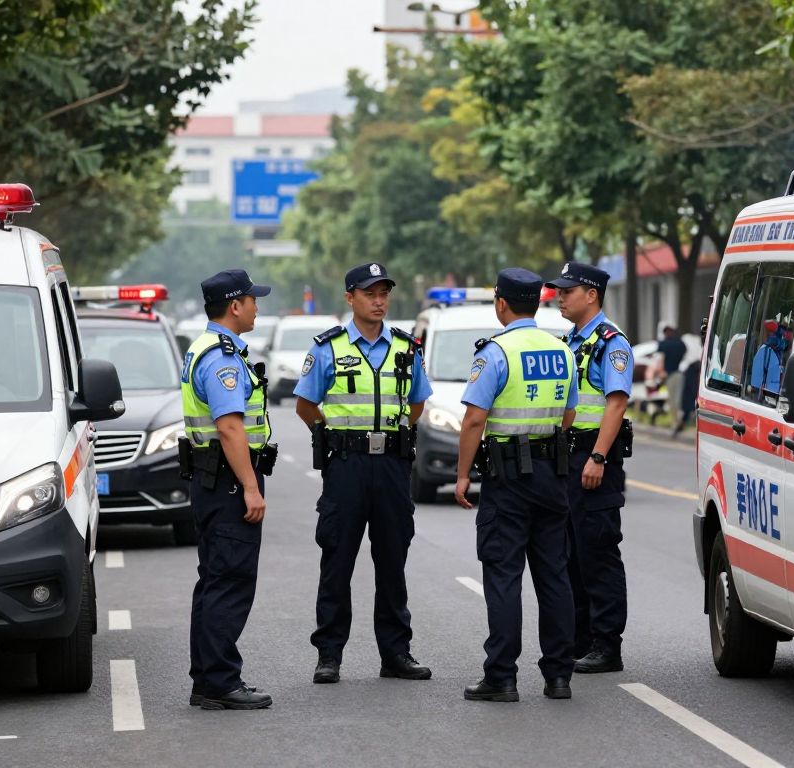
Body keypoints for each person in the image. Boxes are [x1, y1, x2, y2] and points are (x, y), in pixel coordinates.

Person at [294, 262, 433, 685]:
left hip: (392, 465)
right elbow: (305, 404)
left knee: (393, 559)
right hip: (347, 467)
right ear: (350, 297)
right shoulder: (327, 348)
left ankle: (396, 654)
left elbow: (417, 403)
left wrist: (395, 437)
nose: (379, 301)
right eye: (370, 293)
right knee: (337, 559)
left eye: (384, 293)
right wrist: (334, 438)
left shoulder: (407, 348)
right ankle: (329, 654)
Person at [455, 267, 578, 703]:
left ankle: (502, 677)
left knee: (504, 575)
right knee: (554, 575)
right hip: (552, 475)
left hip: (507, 478)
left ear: (501, 303)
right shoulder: (561, 349)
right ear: (539, 302)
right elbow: (568, 413)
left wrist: (463, 475)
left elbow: (474, 418)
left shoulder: (496, 352)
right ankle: (559, 675)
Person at [181, 269, 275, 711]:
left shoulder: (205, 348)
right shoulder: (221, 357)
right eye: (253, 299)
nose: (257, 305)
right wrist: (251, 487)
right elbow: (231, 428)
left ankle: (207, 679)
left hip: (211, 481)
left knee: (214, 580)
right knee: (231, 582)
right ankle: (221, 681)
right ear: (235, 306)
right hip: (228, 484)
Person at [545, 262, 634, 674]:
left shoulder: (611, 343)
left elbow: (616, 402)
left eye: (567, 290)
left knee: (598, 554)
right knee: (570, 556)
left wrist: (598, 456)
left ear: (591, 295)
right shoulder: (571, 341)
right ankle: (581, 640)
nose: (560, 297)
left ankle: (606, 645)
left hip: (594, 460)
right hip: (569, 460)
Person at [655, 325, 687, 434]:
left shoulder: (664, 344)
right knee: (677, 399)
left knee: (673, 400)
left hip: (669, 375)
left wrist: (659, 374)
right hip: (679, 373)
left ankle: (675, 422)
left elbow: (660, 360)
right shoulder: (681, 344)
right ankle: (678, 420)